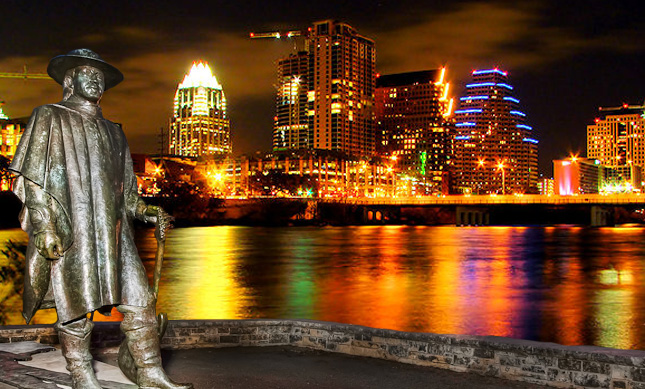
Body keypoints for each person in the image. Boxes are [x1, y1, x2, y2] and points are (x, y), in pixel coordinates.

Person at [9, 49, 192, 389]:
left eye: (100, 76)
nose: (95, 79)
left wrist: (149, 212)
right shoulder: (48, 116)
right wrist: (46, 227)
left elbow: (128, 196)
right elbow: (33, 181)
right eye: (86, 72)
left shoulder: (115, 132)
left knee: (141, 304)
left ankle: (150, 373)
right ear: (69, 80)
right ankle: (81, 375)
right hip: (71, 229)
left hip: (115, 236)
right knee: (74, 307)